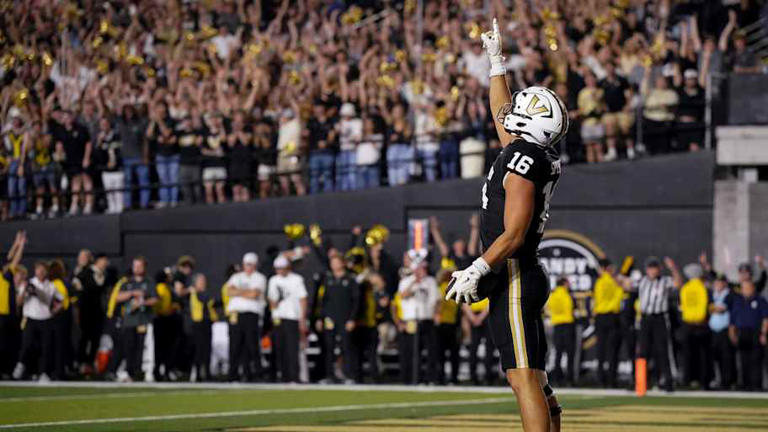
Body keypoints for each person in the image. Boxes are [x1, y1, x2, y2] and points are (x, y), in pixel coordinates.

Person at [445, 18, 568, 432]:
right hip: (522, 273)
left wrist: (479, 266)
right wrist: (496, 63)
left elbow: (514, 233)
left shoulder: (523, 160)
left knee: (521, 378)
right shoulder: (528, 151)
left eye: (521, 109)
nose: (511, 111)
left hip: (514, 272)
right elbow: (502, 114)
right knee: (535, 377)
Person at [635, 256, 682, 392]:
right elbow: (625, 284)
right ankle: (640, 383)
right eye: (650, 268)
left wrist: (673, 268)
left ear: (659, 269)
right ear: (646, 270)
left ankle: (668, 382)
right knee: (642, 351)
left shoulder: (664, 281)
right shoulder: (642, 281)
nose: (652, 271)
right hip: (645, 319)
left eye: (655, 268)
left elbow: (678, 283)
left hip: (659, 318)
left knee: (662, 351)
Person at [108, 256, 157, 381]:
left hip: (143, 320)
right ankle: (129, 372)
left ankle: (139, 372)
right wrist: (132, 293)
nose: (137, 268)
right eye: (135, 266)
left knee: (141, 347)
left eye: (139, 266)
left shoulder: (149, 282)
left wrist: (143, 303)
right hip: (129, 320)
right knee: (129, 346)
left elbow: (155, 299)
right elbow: (117, 297)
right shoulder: (127, 282)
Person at [13, 261, 62, 381]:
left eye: (43, 270)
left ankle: (43, 373)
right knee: (27, 344)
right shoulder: (28, 283)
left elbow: (60, 301)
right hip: (30, 318)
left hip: (45, 319)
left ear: (46, 271)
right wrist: (25, 290)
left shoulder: (51, 286)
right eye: (38, 269)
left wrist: (54, 311)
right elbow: (19, 302)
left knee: (45, 347)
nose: (40, 272)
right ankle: (21, 365)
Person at [224, 252, 267, 382]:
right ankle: (233, 374)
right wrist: (245, 292)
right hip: (236, 314)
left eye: (251, 264)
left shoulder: (259, 278)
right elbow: (229, 291)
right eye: (246, 264)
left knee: (252, 345)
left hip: (251, 314)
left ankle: (257, 373)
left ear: (255, 265)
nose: (248, 267)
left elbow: (254, 294)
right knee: (235, 345)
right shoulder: (236, 277)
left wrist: (238, 292)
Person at [317, 255, 359, 383]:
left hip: (345, 318)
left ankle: (348, 375)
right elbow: (323, 301)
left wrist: (352, 319)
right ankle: (330, 376)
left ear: (343, 263)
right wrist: (320, 318)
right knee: (329, 347)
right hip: (330, 318)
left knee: (346, 347)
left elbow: (356, 301)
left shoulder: (350, 279)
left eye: (336, 262)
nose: (334, 265)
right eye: (332, 262)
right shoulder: (328, 279)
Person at [398, 259, 440, 384]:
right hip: (411, 320)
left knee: (431, 350)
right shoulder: (406, 281)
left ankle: (430, 378)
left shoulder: (430, 281)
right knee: (412, 350)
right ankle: (412, 378)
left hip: (426, 318)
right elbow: (402, 295)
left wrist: (437, 313)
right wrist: (414, 283)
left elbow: (437, 299)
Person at [267, 255, 308, 383]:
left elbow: (303, 299)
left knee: (292, 348)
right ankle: (283, 375)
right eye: (277, 268)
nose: (279, 271)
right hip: (278, 317)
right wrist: (274, 309)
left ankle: (294, 376)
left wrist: (302, 318)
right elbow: (271, 300)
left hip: (292, 317)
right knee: (279, 347)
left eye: (282, 268)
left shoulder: (297, 279)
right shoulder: (273, 280)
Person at [727, 279, 768, 390]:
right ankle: (745, 384)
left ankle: (756, 385)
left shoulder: (760, 300)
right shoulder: (738, 301)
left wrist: (764, 333)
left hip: (755, 332)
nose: (746, 291)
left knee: (756, 359)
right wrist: (732, 333)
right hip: (742, 332)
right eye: (744, 288)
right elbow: (733, 320)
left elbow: (765, 318)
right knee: (743, 359)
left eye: (748, 288)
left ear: (753, 288)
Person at [73, 253, 109, 374]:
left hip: (98, 312)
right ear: (97, 261)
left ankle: (90, 364)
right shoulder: (86, 273)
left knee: (95, 339)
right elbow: (76, 285)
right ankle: (79, 363)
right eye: (104, 261)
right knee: (84, 338)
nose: (105, 264)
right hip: (86, 311)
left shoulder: (106, 275)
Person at [592, 259, 624, 388]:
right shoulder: (615, 283)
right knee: (612, 351)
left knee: (601, 350)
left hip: (600, 317)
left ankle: (600, 380)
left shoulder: (599, 282)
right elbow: (619, 298)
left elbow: (597, 301)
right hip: (612, 317)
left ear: (603, 268)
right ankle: (611, 380)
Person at [679, 263, 710, 389]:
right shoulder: (702, 287)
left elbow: (684, 306)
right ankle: (704, 381)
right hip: (701, 324)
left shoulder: (685, 288)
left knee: (688, 355)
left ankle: (688, 380)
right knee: (703, 356)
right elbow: (704, 306)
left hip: (688, 324)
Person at [1, 232, 25, 378]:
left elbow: (12, 260)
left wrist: (19, 244)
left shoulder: (5, 276)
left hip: (5, 314)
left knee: (6, 345)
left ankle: (6, 371)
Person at [546, 278, 575, 387]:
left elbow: (549, 309)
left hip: (557, 325)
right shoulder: (567, 295)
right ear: (564, 284)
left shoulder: (552, 296)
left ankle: (556, 379)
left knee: (558, 353)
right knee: (570, 353)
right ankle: (569, 379)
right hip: (567, 324)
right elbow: (570, 308)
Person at [708, 273, 735, 390]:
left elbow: (720, 309)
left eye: (720, 282)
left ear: (725, 283)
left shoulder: (729, 295)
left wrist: (712, 308)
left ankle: (727, 381)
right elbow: (709, 308)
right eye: (716, 282)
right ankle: (717, 380)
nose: (717, 284)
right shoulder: (713, 294)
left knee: (726, 357)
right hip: (713, 331)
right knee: (715, 357)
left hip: (725, 330)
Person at [435, 268, 461, 385]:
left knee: (441, 354)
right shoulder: (450, 287)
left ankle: (440, 377)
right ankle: (453, 378)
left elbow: (439, 303)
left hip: (443, 323)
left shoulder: (441, 287)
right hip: (451, 323)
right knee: (453, 353)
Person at [93, 118, 124, 214]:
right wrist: (99, 142)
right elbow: (96, 155)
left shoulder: (117, 136)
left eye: (106, 124)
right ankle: (112, 210)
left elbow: (121, 151)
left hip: (117, 169)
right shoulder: (100, 139)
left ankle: (120, 210)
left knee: (118, 192)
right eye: (102, 124)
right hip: (106, 171)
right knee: (109, 193)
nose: (104, 126)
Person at [463, 299, 496, 385]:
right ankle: (473, 377)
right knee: (473, 347)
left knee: (489, 347)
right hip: (474, 314)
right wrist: (472, 317)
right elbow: (464, 303)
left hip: (486, 314)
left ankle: (488, 377)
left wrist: (480, 317)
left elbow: (491, 301)